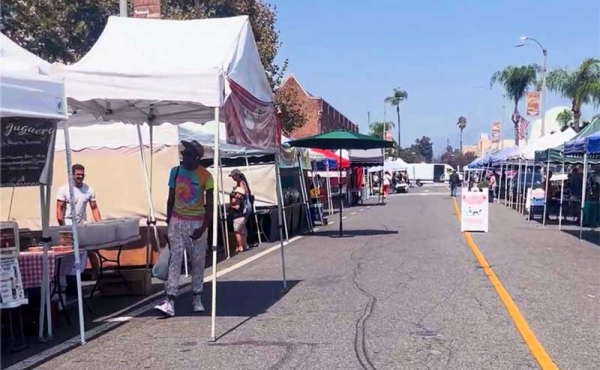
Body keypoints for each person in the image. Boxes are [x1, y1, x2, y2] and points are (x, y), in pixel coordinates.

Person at [155, 140, 213, 317]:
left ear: (196, 156)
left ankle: (197, 296)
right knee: (175, 259)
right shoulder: (176, 171)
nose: (184, 156)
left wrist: (203, 227)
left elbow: (210, 204)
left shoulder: (206, 176)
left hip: (197, 222)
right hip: (177, 221)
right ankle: (170, 299)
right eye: (183, 153)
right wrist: (168, 224)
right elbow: (170, 199)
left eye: (187, 153)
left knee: (197, 261)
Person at [229, 169, 250, 253]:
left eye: (233, 176)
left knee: (237, 230)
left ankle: (240, 246)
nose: (232, 178)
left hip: (240, 210)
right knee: (242, 229)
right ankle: (244, 245)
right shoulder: (242, 183)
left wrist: (232, 202)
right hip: (244, 209)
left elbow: (237, 199)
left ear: (237, 175)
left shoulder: (241, 185)